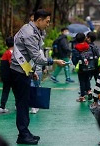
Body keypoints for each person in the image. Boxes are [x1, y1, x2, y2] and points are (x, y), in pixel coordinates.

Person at [10, 9, 65, 145]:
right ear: (38, 20)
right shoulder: (30, 33)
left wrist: (31, 71)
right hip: (19, 73)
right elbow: (37, 57)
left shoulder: (30, 29)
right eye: (46, 22)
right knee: (22, 104)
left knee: (25, 102)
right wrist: (54, 61)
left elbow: (28, 55)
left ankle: (25, 132)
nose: (48, 24)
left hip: (23, 71)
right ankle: (23, 134)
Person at [72, 33, 94, 102]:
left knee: (81, 81)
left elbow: (74, 59)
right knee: (87, 79)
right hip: (89, 66)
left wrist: (76, 65)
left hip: (81, 67)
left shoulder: (76, 48)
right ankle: (89, 91)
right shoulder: (88, 46)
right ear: (84, 39)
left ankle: (82, 96)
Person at [0, 37, 14, 113]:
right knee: (16, 90)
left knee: (6, 90)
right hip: (11, 75)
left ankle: (2, 106)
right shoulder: (10, 53)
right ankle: (17, 105)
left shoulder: (6, 52)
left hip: (5, 76)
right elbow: (11, 63)